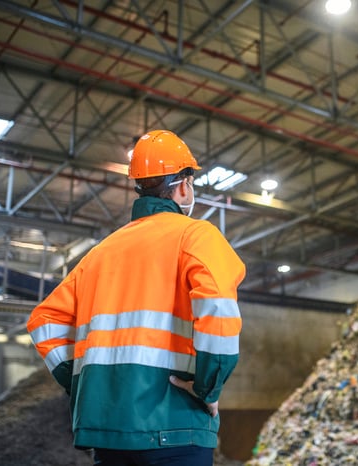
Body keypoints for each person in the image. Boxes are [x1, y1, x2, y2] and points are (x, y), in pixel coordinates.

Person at [27, 129, 246, 466]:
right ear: (183, 185)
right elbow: (217, 307)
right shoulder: (197, 236)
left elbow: (44, 320)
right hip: (176, 428)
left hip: (108, 434)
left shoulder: (100, 253)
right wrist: (208, 389)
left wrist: (86, 384)